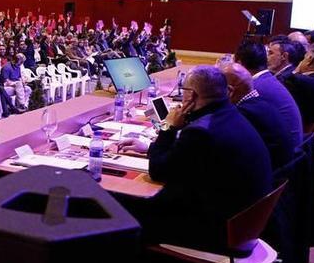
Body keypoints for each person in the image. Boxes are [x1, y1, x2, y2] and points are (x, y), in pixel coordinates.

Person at [115, 66, 272, 252]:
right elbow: (186, 159)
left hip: (215, 231)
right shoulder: (229, 113)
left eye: (184, 91)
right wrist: (151, 147)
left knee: (120, 202)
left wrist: (168, 127)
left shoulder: (201, 131)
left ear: (192, 95)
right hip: (242, 223)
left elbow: (158, 171)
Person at [220, 63, 296, 170]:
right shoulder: (263, 103)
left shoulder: (243, 114)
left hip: (270, 178)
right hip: (283, 172)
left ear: (229, 91)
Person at [234, 41, 303, 151]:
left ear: (239, 63)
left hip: (284, 156)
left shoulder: (252, 87)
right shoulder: (268, 79)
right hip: (293, 152)